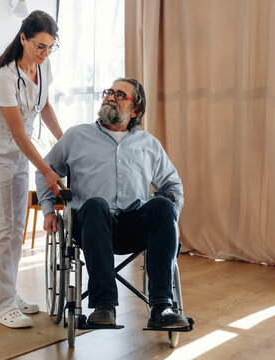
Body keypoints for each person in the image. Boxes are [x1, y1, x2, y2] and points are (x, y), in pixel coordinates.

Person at [35, 78, 190, 329]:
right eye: (109, 92)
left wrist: (173, 218)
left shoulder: (149, 144)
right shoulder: (77, 136)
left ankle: (162, 306)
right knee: (96, 205)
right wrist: (48, 210)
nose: (110, 97)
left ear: (136, 109)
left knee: (163, 205)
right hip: (90, 225)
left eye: (119, 94)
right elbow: (46, 171)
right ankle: (103, 305)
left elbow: (173, 186)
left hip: (133, 226)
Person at [0, 10, 66, 329]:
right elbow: (18, 133)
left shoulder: (44, 68)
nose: (44, 54)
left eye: (49, 47)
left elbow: (44, 107)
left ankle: (11, 295)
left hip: (20, 158)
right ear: (23, 38)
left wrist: (67, 140)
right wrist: (46, 169)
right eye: (39, 46)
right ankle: (2, 306)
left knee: (15, 230)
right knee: (2, 231)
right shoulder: (4, 77)